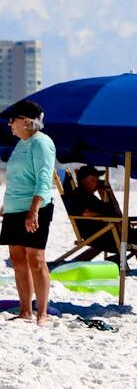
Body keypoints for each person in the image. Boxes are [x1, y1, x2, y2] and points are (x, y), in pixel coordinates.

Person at [0, 100, 56, 324]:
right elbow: (17, 178)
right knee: (17, 259)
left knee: (36, 259)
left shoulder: (41, 143)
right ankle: (25, 311)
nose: (9, 124)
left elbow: (44, 177)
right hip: (14, 208)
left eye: (12, 120)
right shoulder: (21, 144)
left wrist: (34, 210)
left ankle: (42, 313)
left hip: (35, 207)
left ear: (25, 121)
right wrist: (7, 206)